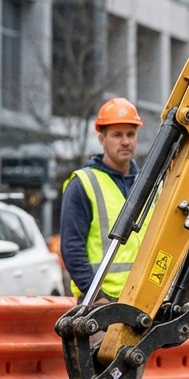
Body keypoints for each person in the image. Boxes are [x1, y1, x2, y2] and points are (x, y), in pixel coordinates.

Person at [60, 97, 144, 300]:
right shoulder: (83, 184)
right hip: (100, 303)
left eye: (130, 134)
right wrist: (95, 296)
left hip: (144, 301)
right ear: (102, 138)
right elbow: (72, 248)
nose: (125, 141)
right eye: (117, 135)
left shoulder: (148, 184)